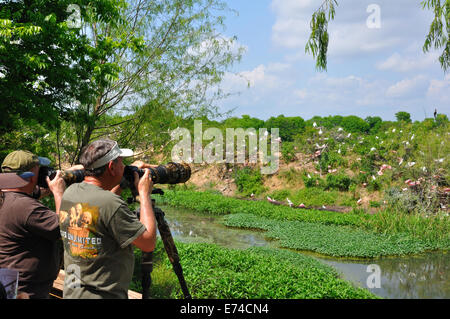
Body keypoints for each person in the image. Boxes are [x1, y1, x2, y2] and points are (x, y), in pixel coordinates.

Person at [59, 139, 156, 299]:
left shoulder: (71, 191)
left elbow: (100, 210)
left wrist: (121, 185)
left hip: (73, 292)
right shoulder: (111, 204)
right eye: (121, 162)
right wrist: (144, 194)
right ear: (111, 167)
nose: (124, 166)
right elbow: (148, 243)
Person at [0, 150, 66, 299]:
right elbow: (63, 227)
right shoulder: (27, 208)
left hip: (8, 283)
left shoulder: (5, 197)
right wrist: (58, 193)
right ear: (30, 177)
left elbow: (21, 193)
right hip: (27, 291)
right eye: (39, 172)